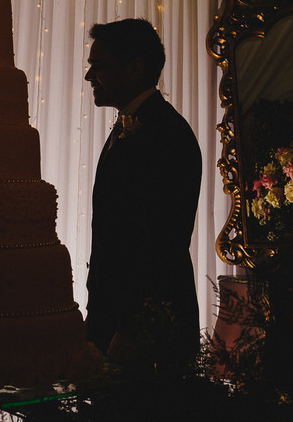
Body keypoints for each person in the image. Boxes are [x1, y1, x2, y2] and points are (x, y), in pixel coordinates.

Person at [83, 19, 202, 376]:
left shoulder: (166, 134)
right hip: (115, 315)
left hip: (147, 324)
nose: (89, 77)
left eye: (99, 66)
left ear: (135, 68)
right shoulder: (131, 125)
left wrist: (131, 326)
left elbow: (161, 241)